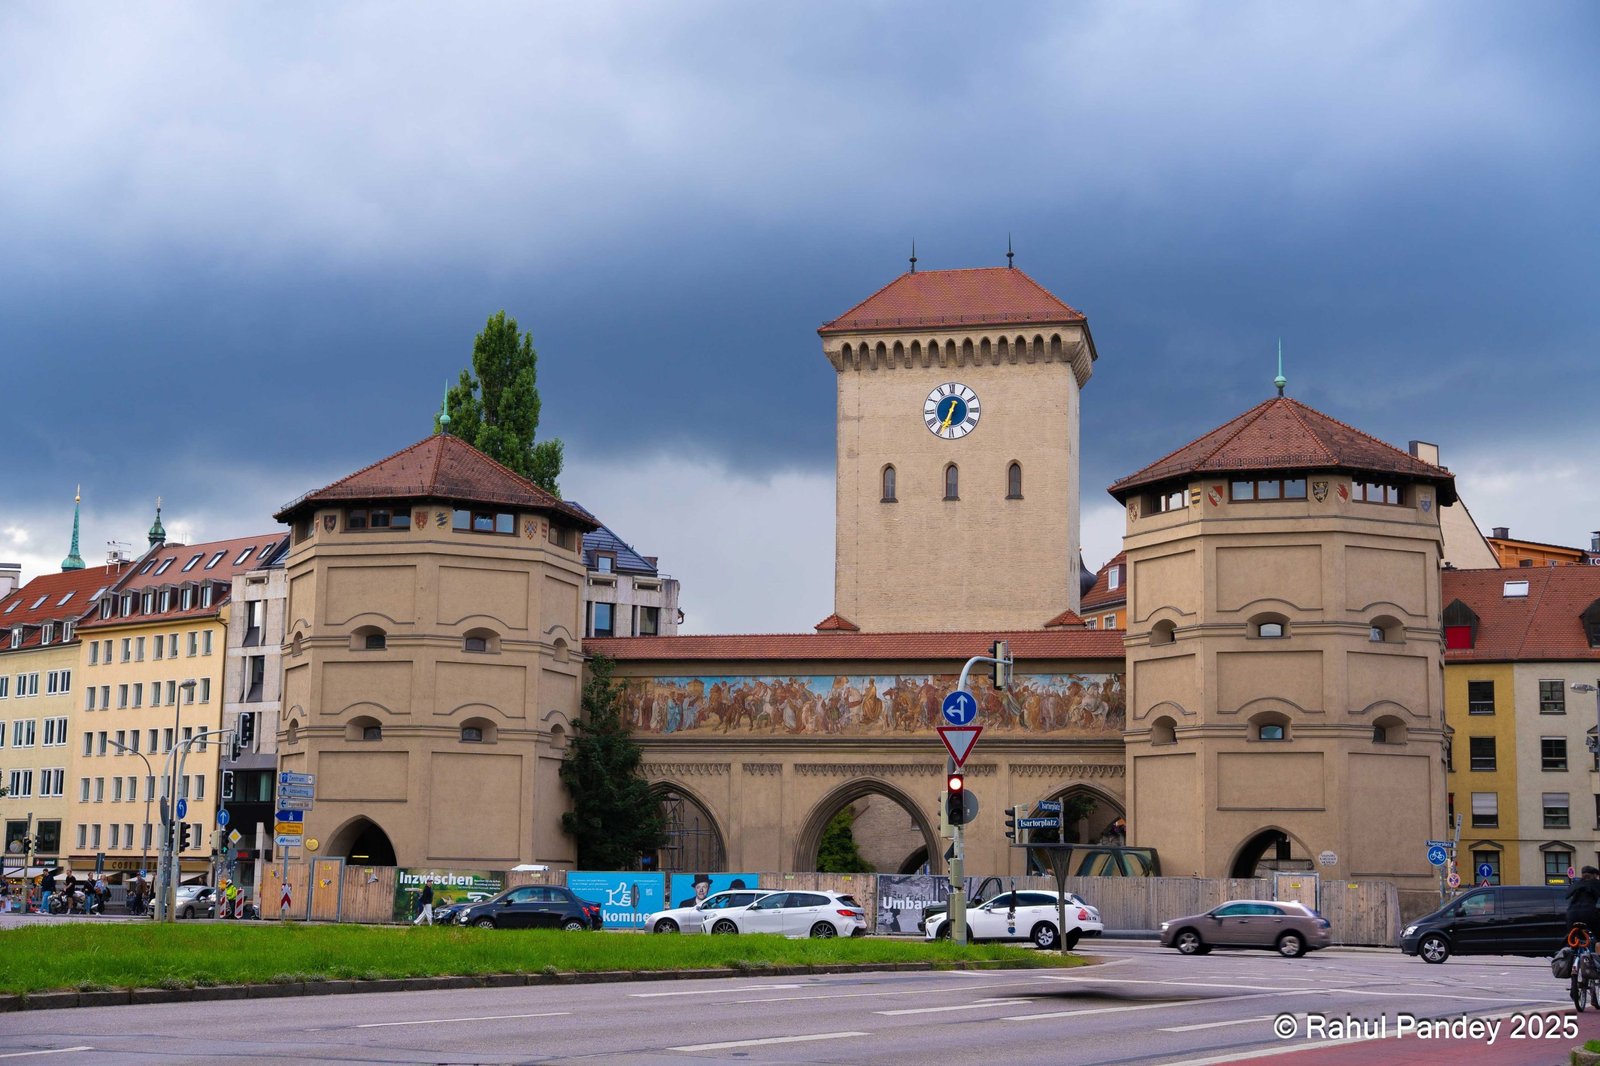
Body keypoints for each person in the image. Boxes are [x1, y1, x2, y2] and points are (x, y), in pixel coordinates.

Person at [1568, 867, 1600, 940]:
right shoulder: (1596, 883)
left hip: (1571, 914)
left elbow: (1567, 895)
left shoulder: (1575, 884)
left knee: (1572, 938)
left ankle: (1570, 948)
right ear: (1594, 875)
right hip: (1589, 913)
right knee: (1598, 937)